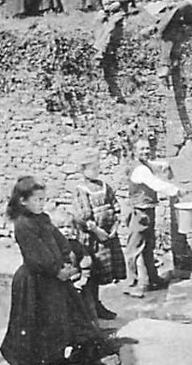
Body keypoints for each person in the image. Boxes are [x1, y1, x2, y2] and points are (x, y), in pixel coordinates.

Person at [0, 176, 106, 365]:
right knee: (36, 327)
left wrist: (68, 260)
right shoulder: (23, 224)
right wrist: (57, 271)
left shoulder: (44, 219)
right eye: (37, 199)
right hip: (35, 282)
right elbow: (36, 256)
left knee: (56, 323)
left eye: (43, 199)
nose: (41, 203)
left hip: (53, 280)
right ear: (23, 201)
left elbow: (60, 241)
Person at [73, 148, 127, 319]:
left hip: (107, 238)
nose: (97, 171)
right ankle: (90, 307)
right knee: (90, 272)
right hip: (92, 238)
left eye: (98, 167)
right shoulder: (81, 189)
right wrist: (97, 230)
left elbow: (115, 206)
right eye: (92, 168)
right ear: (83, 170)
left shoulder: (104, 187)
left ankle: (96, 304)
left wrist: (114, 229)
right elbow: (83, 216)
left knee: (102, 271)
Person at [126, 137, 180, 298]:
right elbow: (155, 183)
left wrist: (164, 164)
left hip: (148, 211)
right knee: (134, 249)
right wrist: (176, 190)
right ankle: (132, 284)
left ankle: (153, 278)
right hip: (139, 212)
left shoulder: (145, 164)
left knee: (149, 247)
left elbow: (154, 164)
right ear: (134, 152)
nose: (146, 151)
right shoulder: (139, 169)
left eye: (147, 148)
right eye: (142, 149)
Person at [52, 207, 98, 324]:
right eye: (61, 228)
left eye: (69, 227)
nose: (66, 231)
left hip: (78, 282)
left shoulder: (77, 245)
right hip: (61, 283)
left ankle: (89, 329)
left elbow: (86, 261)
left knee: (85, 307)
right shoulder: (53, 247)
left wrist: (83, 280)